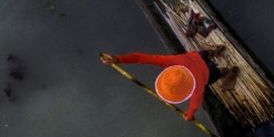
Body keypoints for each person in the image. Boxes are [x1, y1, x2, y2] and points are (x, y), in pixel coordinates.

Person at [100, 48, 235, 121]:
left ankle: (230, 72)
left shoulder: (198, 85)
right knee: (205, 53)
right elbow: (140, 57)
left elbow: (195, 103)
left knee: (219, 72)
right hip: (198, 56)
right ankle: (214, 51)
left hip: (208, 73)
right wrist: (119, 59)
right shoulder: (175, 60)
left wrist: (189, 115)